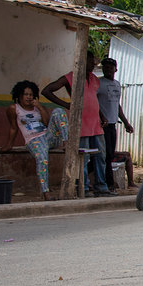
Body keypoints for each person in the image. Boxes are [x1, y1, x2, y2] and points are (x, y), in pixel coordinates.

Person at [42, 51, 112, 197]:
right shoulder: (71, 77)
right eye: (90, 61)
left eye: (93, 62)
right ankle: (83, 188)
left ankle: (101, 187)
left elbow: (93, 99)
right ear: (81, 62)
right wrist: (66, 104)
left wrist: (102, 115)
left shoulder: (94, 79)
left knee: (100, 157)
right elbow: (46, 91)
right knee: (83, 159)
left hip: (95, 124)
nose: (93, 64)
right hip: (81, 125)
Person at [4, 80, 69, 200]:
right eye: (26, 94)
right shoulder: (14, 109)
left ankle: (66, 143)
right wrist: (9, 144)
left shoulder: (38, 108)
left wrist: (39, 107)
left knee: (59, 111)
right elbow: (13, 128)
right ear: (19, 95)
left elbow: (47, 123)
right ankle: (46, 193)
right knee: (42, 159)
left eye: (31, 95)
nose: (29, 97)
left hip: (48, 137)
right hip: (33, 140)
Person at [97, 57, 134, 189]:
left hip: (112, 124)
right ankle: (108, 184)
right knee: (105, 155)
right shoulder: (98, 83)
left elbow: (117, 106)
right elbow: (94, 103)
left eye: (110, 67)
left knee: (110, 154)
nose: (107, 69)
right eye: (105, 67)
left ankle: (108, 183)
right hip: (102, 125)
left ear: (115, 69)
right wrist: (101, 117)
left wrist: (126, 123)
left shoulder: (117, 84)